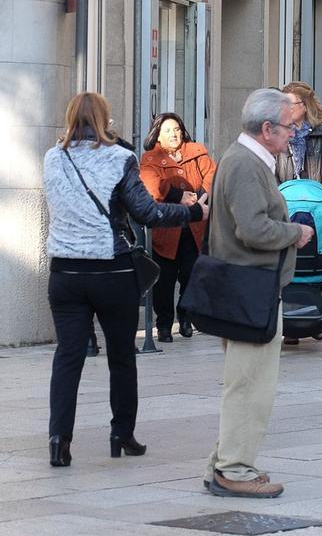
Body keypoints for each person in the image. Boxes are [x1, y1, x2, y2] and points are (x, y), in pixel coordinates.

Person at [44, 94, 206, 468]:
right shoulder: (120, 158)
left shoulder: (54, 157)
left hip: (65, 272)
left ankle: (58, 439)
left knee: (67, 358)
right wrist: (194, 210)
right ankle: (122, 434)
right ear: (104, 119)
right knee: (121, 356)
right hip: (111, 270)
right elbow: (147, 212)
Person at [206, 88, 314, 498]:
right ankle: (234, 468)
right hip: (250, 288)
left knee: (245, 381)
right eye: (289, 126)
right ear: (267, 129)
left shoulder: (245, 160)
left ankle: (223, 463)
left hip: (247, 287)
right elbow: (253, 229)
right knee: (251, 385)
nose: (294, 132)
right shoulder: (246, 164)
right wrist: (296, 232)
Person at [139, 112, 215, 342]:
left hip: (194, 227)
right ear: (158, 136)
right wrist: (179, 195)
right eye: (168, 131)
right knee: (164, 280)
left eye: (177, 129)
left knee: (192, 275)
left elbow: (213, 174)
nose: (174, 134)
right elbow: (152, 186)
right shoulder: (150, 159)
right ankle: (163, 324)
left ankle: (185, 316)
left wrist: (201, 197)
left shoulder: (196, 151)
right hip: (166, 229)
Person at [275, 81, 322, 201]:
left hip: (317, 201)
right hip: (286, 203)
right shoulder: (278, 131)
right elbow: (270, 172)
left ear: (305, 105)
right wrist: (282, 200)